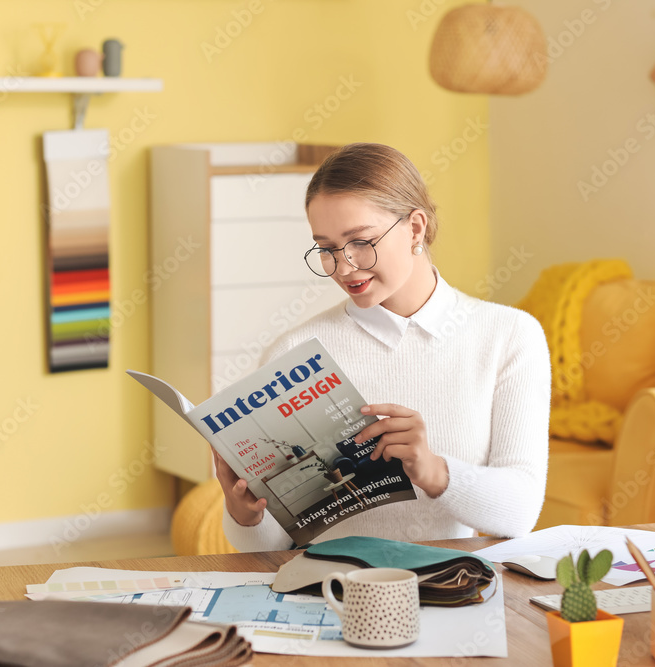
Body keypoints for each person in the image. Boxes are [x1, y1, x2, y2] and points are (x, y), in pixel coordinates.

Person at [214, 142, 551, 552]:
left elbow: (521, 511)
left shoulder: (508, 335)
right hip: (327, 592)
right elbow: (268, 548)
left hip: (450, 589)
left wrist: (434, 471)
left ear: (415, 228)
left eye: (360, 241)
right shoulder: (296, 351)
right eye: (326, 248)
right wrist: (245, 514)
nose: (343, 266)